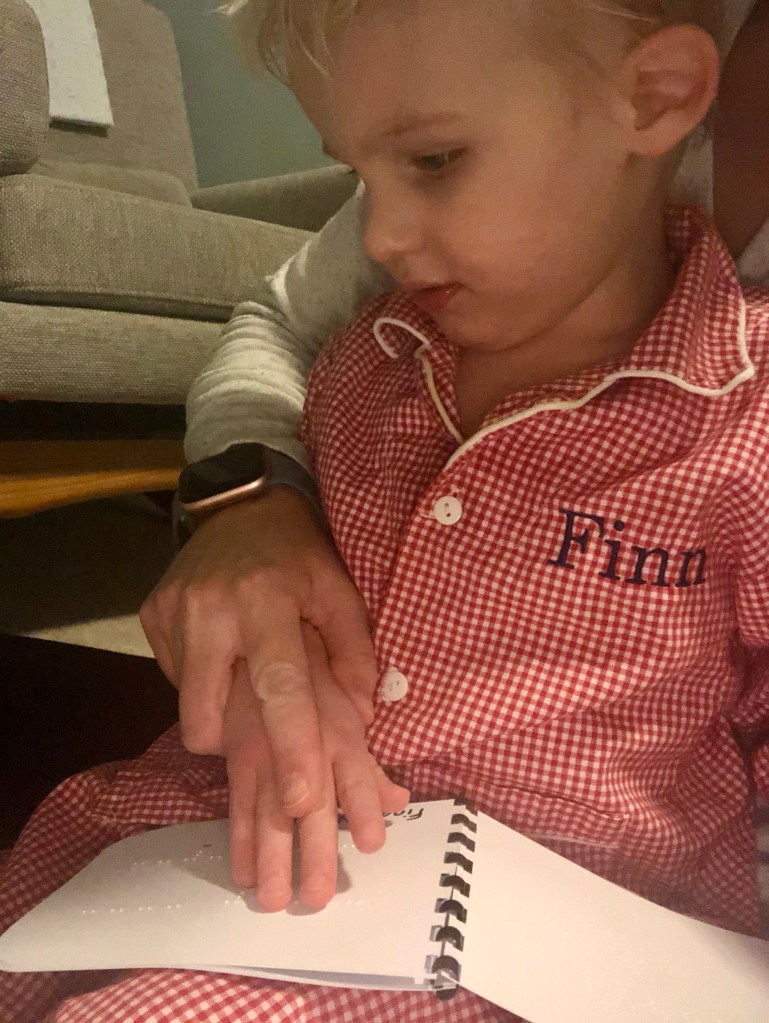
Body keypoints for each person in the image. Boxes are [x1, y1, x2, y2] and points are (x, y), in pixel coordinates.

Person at [3, 1, 769, 1019]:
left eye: (436, 161)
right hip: (225, 833)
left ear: (656, 97)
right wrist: (247, 515)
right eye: (359, 174)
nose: (380, 235)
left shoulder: (740, 421)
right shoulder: (366, 358)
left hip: (549, 932)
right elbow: (277, 333)